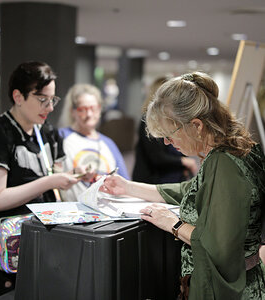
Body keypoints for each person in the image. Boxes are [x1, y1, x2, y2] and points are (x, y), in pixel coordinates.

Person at [100, 72, 265, 299]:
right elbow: (192, 191)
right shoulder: (236, 148)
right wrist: (128, 187)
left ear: (196, 125)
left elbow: (218, 247)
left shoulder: (222, 163)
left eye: (170, 135)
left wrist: (173, 224)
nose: (168, 143)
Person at [0, 61, 83, 300]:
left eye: (53, 99)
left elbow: (55, 181)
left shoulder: (47, 132)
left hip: (43, 242)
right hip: (2, 248)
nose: (49, 107)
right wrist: (50, 181)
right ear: (18, 96)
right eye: (42, 99)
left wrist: (76, 176)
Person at [58, 83, 130, 202]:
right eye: (83, 109)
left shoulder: (108, 143)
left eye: (93, 108)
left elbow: (125, 183)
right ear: (73, 111)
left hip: (107, 212)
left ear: (100, 109)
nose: (89, 114)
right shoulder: (61, 137)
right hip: (72, 212)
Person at [132, 77, 198, 183]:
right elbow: (156, 157)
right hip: (153, 179)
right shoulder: (149, 121)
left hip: (173, 177)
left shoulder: (176, 120)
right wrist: (183, 162)